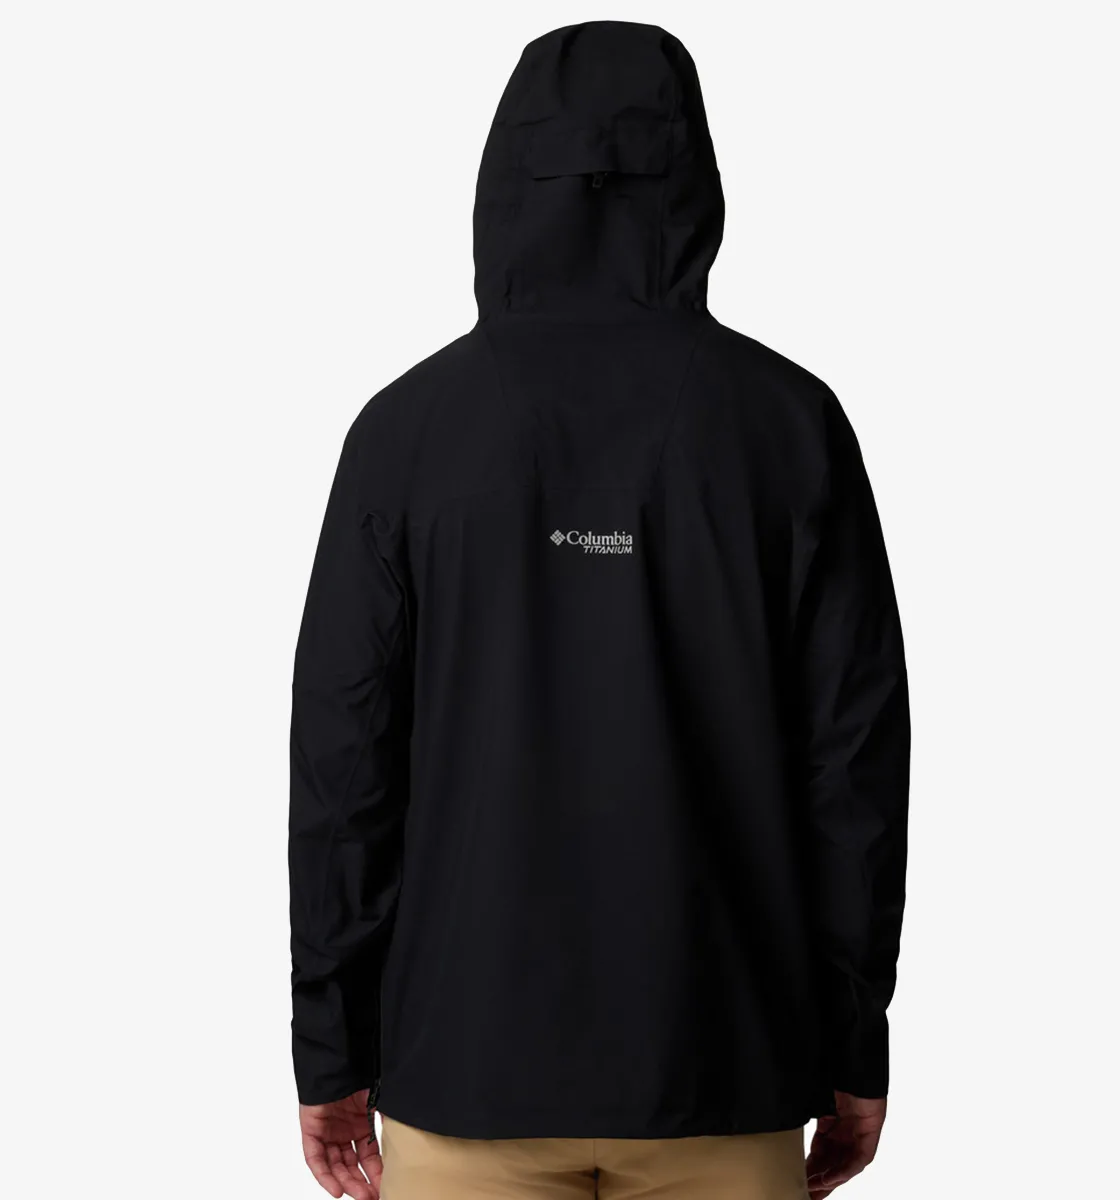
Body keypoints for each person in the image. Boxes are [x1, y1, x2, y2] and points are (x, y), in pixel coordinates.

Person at [289, 20, 909, 1200]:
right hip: (723, 1062)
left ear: (503, 179)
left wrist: (331, 1047)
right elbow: (855, 774)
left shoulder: (406, 434)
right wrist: (852, 1043)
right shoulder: (789, 426)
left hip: (464, 1071)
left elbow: (343, 772)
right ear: (692, 177)